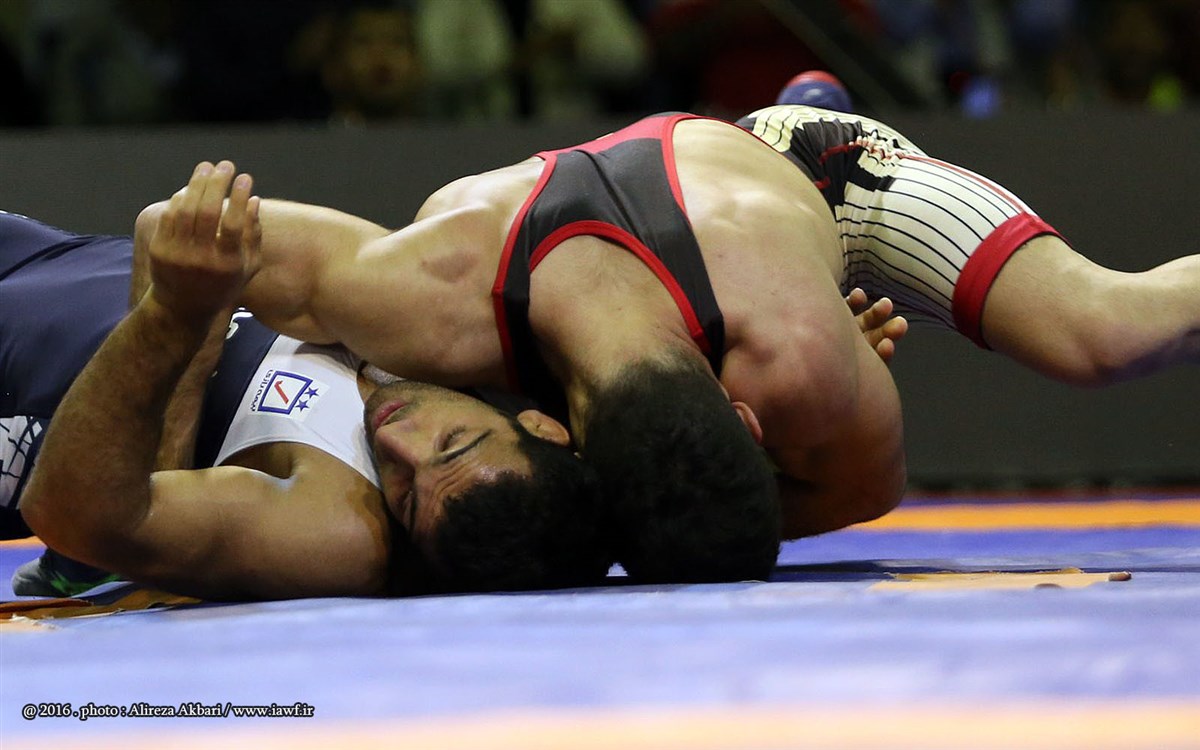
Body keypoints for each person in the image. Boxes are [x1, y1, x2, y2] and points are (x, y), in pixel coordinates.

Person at [155, 94, 1200, 586]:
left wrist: (156, 493)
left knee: (1103, 330)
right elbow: (178, 234)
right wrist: (156, 486)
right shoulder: (424, 290)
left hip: (825, 187)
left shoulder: (798, 356)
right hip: (707, 230)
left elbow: (868, 490)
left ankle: (815, 105)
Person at [9, 171, 610, 599]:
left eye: (405, 498)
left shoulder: (339, 534)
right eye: (452, 443)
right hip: (60, 263)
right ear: (540, 425)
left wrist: (181, 321)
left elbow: (86, 516)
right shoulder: (453, 333)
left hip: (28, 393)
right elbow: (168, 225)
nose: (397, 442)